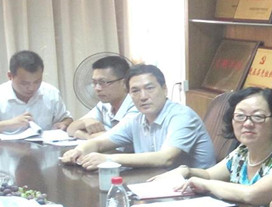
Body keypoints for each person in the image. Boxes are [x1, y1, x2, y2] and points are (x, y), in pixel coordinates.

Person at [164, 87, 272, 206]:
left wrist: (206, 185)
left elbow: (252, 194)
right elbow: (209, 174)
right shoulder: (243, 152)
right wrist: (186, 171)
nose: (247, 123)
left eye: (257, 117)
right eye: (240, 116)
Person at [61, 64, 215, 170]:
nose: (143, 96)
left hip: (197, 192)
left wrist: (108, 159)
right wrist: (79, 151)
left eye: (149, 88)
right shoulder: (137, 119)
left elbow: (165, 158)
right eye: (135, 91)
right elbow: (99, 143)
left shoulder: (182, 116)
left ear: (164, 89)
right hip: (160, 185)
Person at [0, 50, 73, 132]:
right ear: (10, 76)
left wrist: (64, 124)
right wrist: (8, 124)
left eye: (37, 82)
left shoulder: (50, 93)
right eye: (24, 83)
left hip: (45, 140)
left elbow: (67, 118)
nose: (32, 88)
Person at [66, 55, 137, 139]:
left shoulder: (135, 105)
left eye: (103, 82)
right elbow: (70, 129)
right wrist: (84, 122)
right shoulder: (104, 105)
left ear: (124, 83)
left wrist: (81, 134)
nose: (97, 88)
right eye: (94, 82)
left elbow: (114, 139)